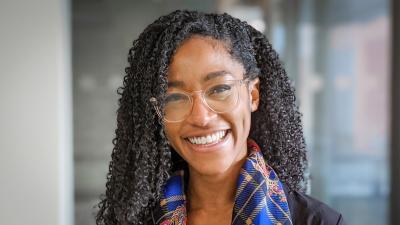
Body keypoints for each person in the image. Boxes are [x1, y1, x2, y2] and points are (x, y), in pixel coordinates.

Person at [96, 10, 346, 225]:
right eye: (173, 98)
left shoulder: (318, 221)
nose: (201, 117)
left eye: (219, 89)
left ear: (253, 94)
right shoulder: (136, 218)